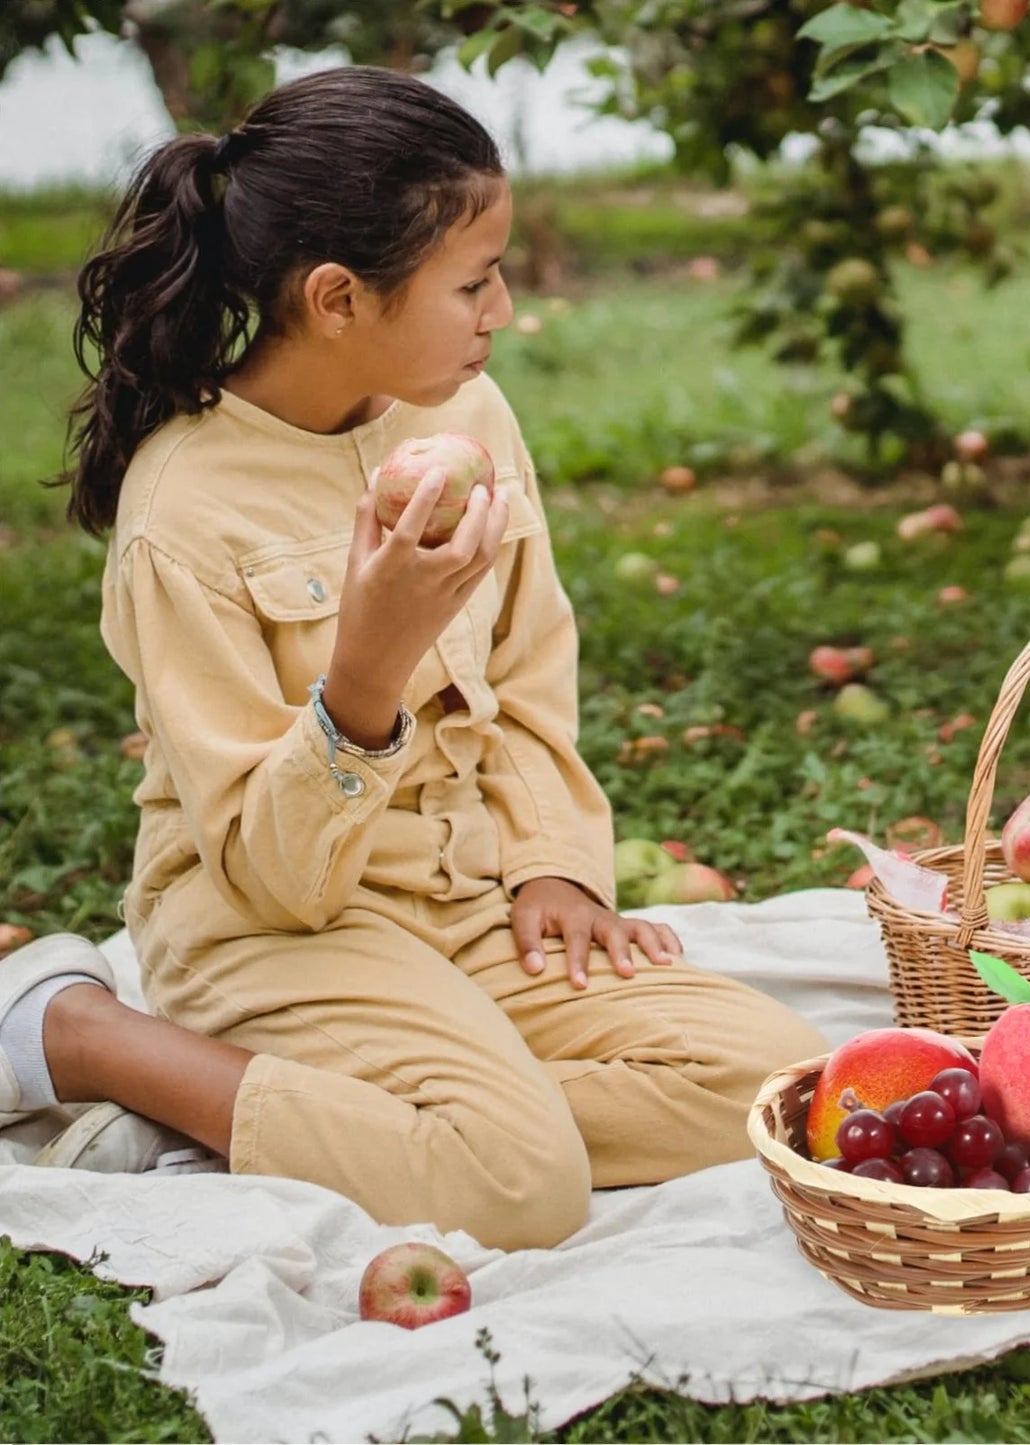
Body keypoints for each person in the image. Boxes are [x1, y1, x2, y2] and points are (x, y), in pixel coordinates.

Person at [0, 66, 827, 1247]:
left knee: (778, 1078)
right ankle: (92, 1035)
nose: (501, 311)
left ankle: (358, 1114)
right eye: (473, 282)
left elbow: (534, 667)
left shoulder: (466, 420)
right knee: (519, 1188)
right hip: (276, 925)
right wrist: (365, 676)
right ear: (339, 298)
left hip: (465, 897)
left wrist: (553, 864)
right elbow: (273, 876)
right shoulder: (184, 511)